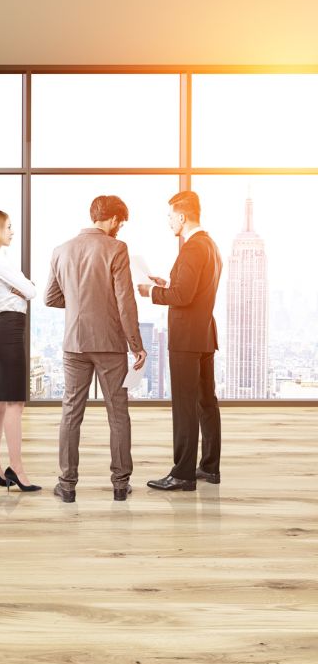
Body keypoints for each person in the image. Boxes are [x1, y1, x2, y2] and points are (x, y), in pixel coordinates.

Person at [45, 195, 146, 502]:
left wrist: (79, 303)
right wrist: (136, 345)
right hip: (109, 344)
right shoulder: (116, 249)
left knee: (71, 412)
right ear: (113, 218)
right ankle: (119, 484)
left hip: (74, 343)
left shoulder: (60, 250)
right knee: (117, 413)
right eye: (121, 222)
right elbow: (125, 302)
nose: (121, 228)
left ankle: (67, 485)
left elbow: (51, 298)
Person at [137, 190, 223, 491]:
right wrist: (167, 283)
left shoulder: (191, 248)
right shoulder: (210, 245)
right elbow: (193, 290)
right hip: (204, 334)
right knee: (206, 402)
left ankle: (183, 474)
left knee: (185, 406)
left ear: (183, 216)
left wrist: (152, 292)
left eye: (171, 216)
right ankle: (209, 468)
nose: (169, 221)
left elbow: (183, 296)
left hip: (186, 338)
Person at [0, 209, 41, 492]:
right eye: (8, 227)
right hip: (9, 334)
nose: (13, 231)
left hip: (4, 332)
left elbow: (26, 290)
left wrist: (24, 289)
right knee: (15, 405)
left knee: (1, 404)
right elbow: (31, 290)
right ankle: (17, 469)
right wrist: (24, 288)